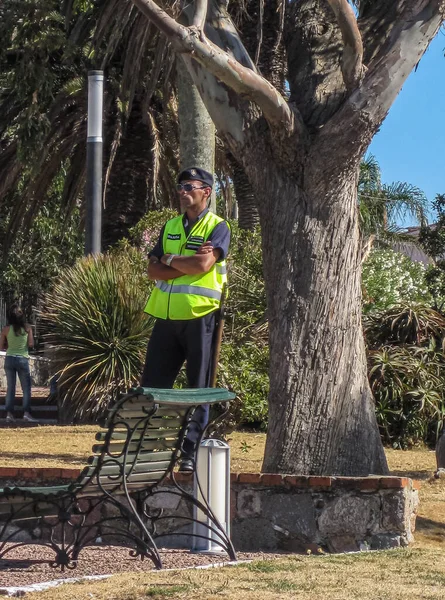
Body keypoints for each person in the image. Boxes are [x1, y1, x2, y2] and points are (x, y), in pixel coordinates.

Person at [141, 167, 231, 472]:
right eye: (180, 186)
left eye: (189, 186)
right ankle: (151, 450)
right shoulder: (170, 227)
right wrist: (182, 263)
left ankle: (189, 453)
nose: (182, 191)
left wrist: (170, 260)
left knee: (199, 389)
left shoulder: (217, 227)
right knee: (152, 386)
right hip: (166, 318)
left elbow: (205, 263)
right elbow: (153, 270)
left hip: (200, 317)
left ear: (206, 190)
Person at [0, 305, 38, 423]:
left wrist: (9, 345)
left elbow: (1, 346)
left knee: (10, 387)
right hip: (22, 358)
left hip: (10, 358)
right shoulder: (27, 328)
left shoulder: (6, 329)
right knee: (26, 388)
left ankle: (9, 414)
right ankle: (26, 413)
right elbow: (31, 344)